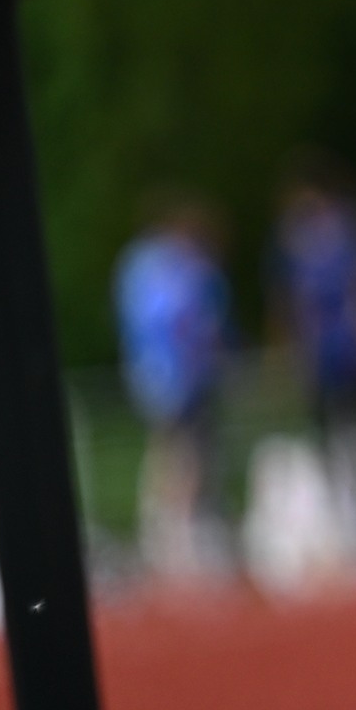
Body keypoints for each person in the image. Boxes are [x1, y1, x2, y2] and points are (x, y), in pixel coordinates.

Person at [272, 159, 356, 568]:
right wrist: (293, 356)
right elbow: (289, 306)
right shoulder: (294, 244)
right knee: (334, 446)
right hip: (322, 361)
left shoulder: (350, 232)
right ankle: (349, 528)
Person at [113, 197, 231, 582]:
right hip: (176, 377)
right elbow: (187, 325)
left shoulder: (138, 266)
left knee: (170, 453)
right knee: (185, 456)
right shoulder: (170, 269)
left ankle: (166, 536)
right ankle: (176, 540)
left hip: (156, 375)